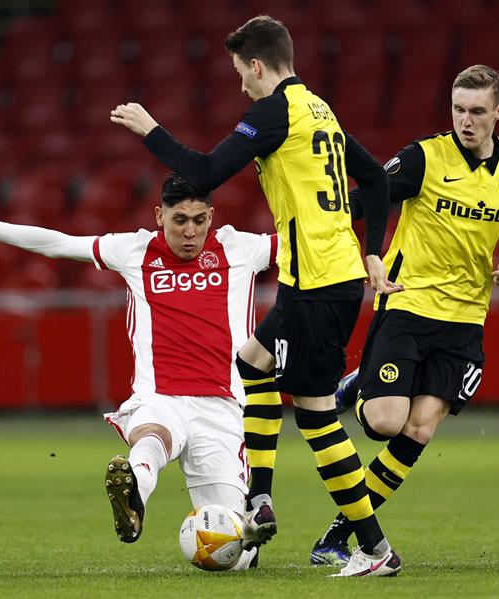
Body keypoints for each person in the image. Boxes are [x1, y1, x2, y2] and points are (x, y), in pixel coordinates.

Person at [110, 15, 402, 577]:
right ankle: (259, 499)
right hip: (317, 279)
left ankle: (374, 549)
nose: (240, 84)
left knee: (317, 418)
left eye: (241, 72)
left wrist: (150, 129)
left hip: (319, 284)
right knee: (251, 361)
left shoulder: (275, 112)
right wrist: (369, 249)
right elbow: (375, 179)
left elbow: (205, 171)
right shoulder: (320, 109)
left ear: (258, 65)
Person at [0, 173, 278, 571]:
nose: (190, 231)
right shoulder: (135, 249)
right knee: (152, 435)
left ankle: (246, 531)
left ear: (212, 216)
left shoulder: (241, 248)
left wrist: (368, 192)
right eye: (179, 220)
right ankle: (132, 495)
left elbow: (313, 239)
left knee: (236, 555)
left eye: (199, 220)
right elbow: (59, 243)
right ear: (159, 215)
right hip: (160, 396)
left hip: (221, 407)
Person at [310, 64, 499, 566]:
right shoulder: (422, 158)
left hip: (466, 317)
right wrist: (365, 253)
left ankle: (337, 536)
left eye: (477, 111)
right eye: (458, 109)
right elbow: (367, 197)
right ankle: (360, 386)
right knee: (386, 423)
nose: (466, 120)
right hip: (409, 302)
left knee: (420, 430)